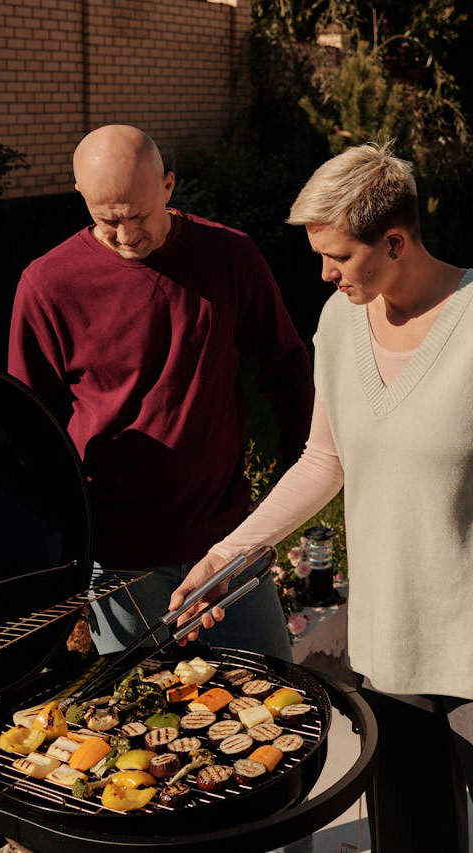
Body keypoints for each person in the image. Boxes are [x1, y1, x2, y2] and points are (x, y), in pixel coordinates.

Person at [170, 141, 473, 853]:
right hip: (389, 645)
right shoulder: (339, 325)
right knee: (412, 836)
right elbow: (322, 461)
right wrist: (227, 554)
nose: (325, 273)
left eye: (338, 255)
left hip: (472, 644)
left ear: (395, 241)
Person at [8, 124, 314, 662]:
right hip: (121, 558)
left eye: (138, 215)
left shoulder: (230, 256)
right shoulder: (47, 284)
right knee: (141, 720)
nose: (126, 236)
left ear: (168, 186)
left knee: (276, 696)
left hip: (228, 542)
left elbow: (287, 369)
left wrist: (293, 486)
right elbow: (29, 429)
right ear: (81, 196)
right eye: (107, 220)